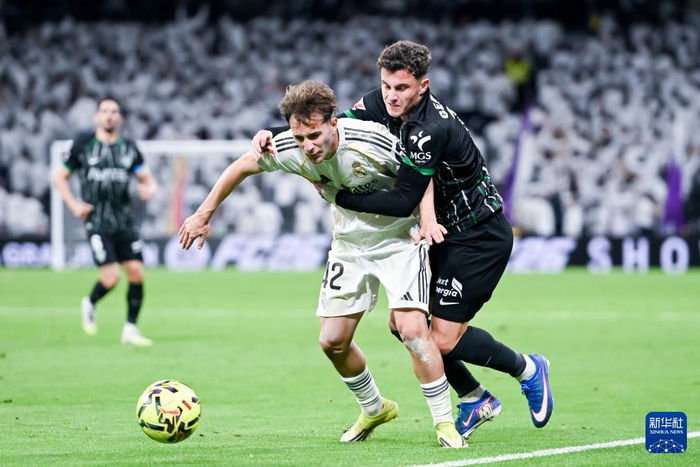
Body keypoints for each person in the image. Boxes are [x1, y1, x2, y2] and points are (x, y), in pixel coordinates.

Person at [252, 41, 553, 438]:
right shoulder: (382, 102)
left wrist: (339, 197)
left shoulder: (430, 129)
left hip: (477, 233)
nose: (391, 97)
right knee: (403, 325)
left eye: (402, 88)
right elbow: (331, 124)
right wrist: (274, 134)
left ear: (422, 86)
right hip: (437, 232)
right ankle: (474, 397)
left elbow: (402, 200)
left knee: (441, 340)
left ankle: (528, 368)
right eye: (386, 86)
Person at [179, 81, 465, 448]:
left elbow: (420, 173)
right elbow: (243, 166)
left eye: (314, 135)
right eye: (300, 138)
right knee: (332, 342)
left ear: (334, 122)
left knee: (411, 331)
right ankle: (374, 408)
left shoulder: (371, 139)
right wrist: (203, 214)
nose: (308, 146)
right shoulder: (289, 147)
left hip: (400, 240)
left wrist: (427, 218)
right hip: (349, 243)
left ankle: (444, 422)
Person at [54, 97, 157, 346]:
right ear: (97, 117)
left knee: (136, 272)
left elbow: (147, 178)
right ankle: (90, 302)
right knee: (112, 278)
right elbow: (60, 177)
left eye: (114, 111)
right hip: (97, 222)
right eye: (104, 111)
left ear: (120, 117)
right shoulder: (84, 145)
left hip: (125, 221)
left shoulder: (129, 148)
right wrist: (74, 205)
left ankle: (130, 329)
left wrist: (150, 188)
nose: (109, 115)